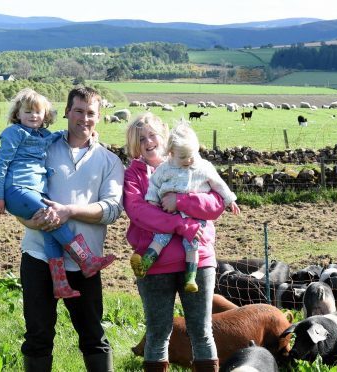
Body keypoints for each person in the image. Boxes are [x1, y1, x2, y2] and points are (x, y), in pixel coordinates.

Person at [17, 87, 124, 371]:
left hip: (84, 263)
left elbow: (112, 209)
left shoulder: (110, 162)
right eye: (78, 111)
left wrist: (69, 211)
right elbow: (21, 190)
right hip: (38, 256)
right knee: (38, 335)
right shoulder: (42, 147)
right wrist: (28, 221)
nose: (84, 118)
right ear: (66, 112)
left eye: (90, 113)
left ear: (99, 117)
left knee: (93, 335)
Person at [123, 112, 226, 371]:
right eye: (141, 138)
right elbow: (139, 212)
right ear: (134, 144)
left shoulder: (193, 162)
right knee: (158, 332)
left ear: (165, 135)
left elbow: (216, 204)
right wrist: (183, 225)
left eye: (152, 135)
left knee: (201, 331)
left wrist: (181, 202)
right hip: (155, 266)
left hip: (199, 259)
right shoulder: (133, 175)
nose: (148, 142)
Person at [0, 88, 115, 299]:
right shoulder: (15, 133)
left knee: (50, 232)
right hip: (19, 190)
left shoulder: (47, 138)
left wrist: (89, 135)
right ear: (18, 114)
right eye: (28, 112)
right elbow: (1, 163)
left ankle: (60, 284)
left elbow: (113, 210)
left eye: (37, 112)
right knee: (55, 217)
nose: (33, 116)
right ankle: (85, 259)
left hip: (32, 191)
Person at [131, 123, 240, 293]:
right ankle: (145, 263)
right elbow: (152, 188)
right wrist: (152, 201)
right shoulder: (163, 169)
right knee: (160, 237)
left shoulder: (203, 167)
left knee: (192, 243)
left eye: (192, 155)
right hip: (168, 217)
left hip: (196, 221)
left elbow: (219, 187)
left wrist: (229, 199)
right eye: (183, 158)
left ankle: (191, 278)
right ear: (172, 153)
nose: (189, 160)